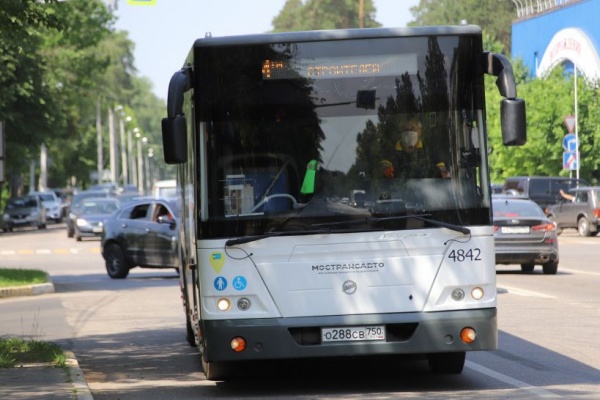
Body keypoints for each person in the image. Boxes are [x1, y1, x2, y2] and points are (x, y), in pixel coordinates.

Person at [380, 117, 449, 180]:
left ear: (419, 132)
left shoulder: (428, 148)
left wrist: (443, 171)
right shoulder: (393, 149)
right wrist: (385, 169)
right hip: (400, 190)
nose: (409, 133)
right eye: (405, 130)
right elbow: (383, 165)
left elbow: (441, 165)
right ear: (401, 133)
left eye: (412, 129)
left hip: (425, 189)